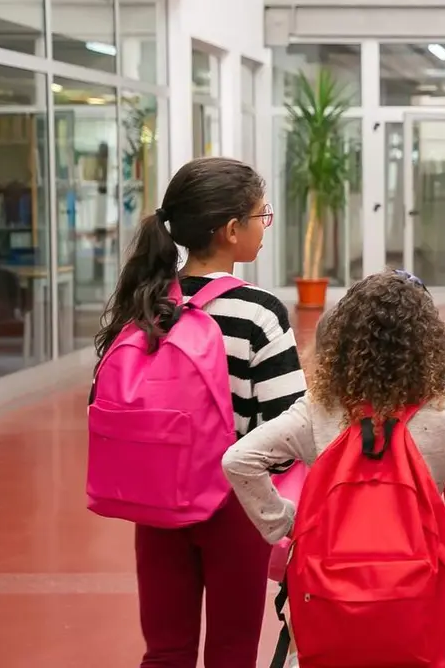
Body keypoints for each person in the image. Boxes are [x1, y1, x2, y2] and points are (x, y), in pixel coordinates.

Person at [221, 270, 445, 664]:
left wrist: (287, 524)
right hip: (415, 600)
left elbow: (239, 460)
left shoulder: (318, 412)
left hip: (327, 595)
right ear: (427, 347)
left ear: (342, 342)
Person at [94, 157, 306, 668]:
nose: (264, 226)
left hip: (156, 501)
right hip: (234, 506)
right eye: (262, 216)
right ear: (232, 231)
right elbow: (286, 429)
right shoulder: (258, 311)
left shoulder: (143, 302)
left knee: (165, 650)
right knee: (232, 650)